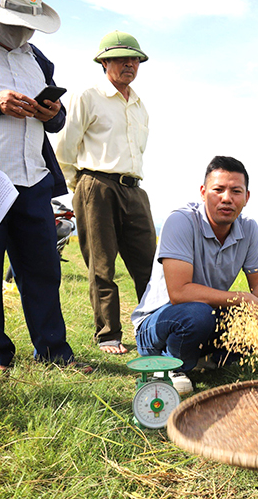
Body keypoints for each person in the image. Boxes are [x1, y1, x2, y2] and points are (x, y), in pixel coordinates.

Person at [0, 0, 81, 370]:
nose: (23, 31)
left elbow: (55, 122)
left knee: (42, 270)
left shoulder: (37, 59)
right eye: (15, 21)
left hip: (33, 179)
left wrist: (54, 114)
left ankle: (54, 352)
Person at [131, 156, 258, 394]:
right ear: (203, 192)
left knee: (251, 318)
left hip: (207, 313)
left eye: (236, 191)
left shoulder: (249, 228)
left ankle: (207, 359)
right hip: (162, 318)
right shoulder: (181, 221)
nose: (226, 198)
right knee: (197, 314)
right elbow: (179, 292)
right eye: (218, 190)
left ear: (246, 197)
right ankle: (169, 365)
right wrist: (240, 298)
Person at [55, 31, 154, 355]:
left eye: (135, 59)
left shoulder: (139, 106)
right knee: (101, 264)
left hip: (134, 188)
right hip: (95, 184)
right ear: (104, 62)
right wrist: (81, 186)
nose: (130, 64)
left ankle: (154, 328)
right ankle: (108, 334)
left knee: (150, 266)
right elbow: (65, 147)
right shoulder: (88, 96)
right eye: (122, 58)